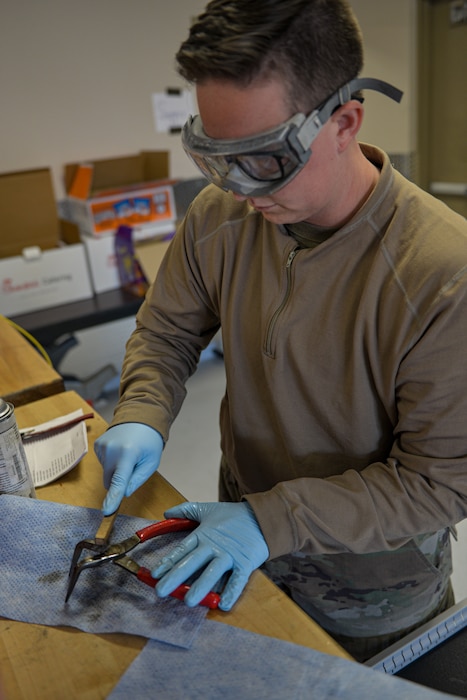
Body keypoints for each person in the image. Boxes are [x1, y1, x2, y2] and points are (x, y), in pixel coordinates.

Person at [94, 0, 467, 662]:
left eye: (262, 159)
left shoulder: (442, 273)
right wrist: (143, 414)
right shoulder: (220, 217)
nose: (237, 190)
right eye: (215, 157)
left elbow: (440, 483)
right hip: (238, 545)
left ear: (343, 122)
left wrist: (273, 522)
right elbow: (166, 333)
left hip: (368, 590)